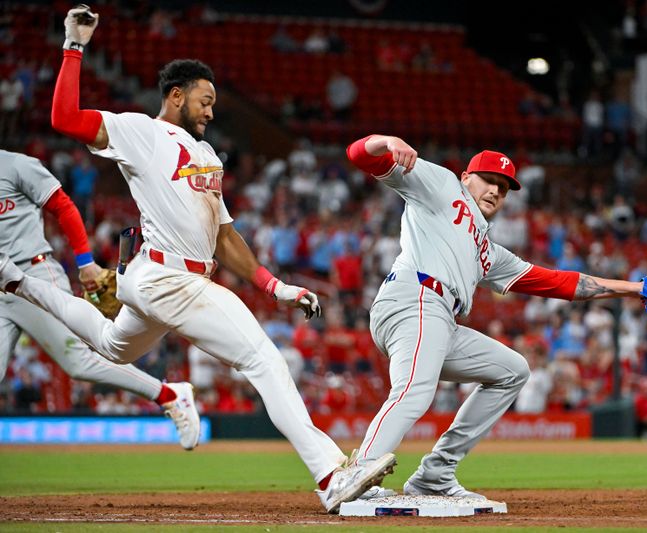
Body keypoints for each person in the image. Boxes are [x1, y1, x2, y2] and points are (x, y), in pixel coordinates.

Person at [0, 6, 393, 514]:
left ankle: (17, 281)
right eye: (204, 101)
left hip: (152, 278)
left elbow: (225, 236)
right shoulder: (142, 131)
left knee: (109, 346)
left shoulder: (208, 157)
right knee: (262, 359)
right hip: (168, 277)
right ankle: (330, 474)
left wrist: (276, 287)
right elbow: (64, 119)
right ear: (176, 96)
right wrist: (74, 46)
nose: (211, 111)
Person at [346, 134, 647, 499]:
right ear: (466, 177)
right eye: (490, 179)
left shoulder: (488, 251)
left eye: (504, 188)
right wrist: (387, 141)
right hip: (416, 298)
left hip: (439, 317)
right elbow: (360, 156)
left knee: (512, 370)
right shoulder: (443, 186)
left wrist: (636, 289)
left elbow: (559, 283)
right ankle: (358, 473)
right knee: (415, 390)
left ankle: (436, 474)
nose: (496, 190)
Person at [0, 149, 200, 448]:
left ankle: (169, 395)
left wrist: (85, 264)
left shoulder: (15, 165)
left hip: (34, 273)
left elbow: (63, 206)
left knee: (80, 363)